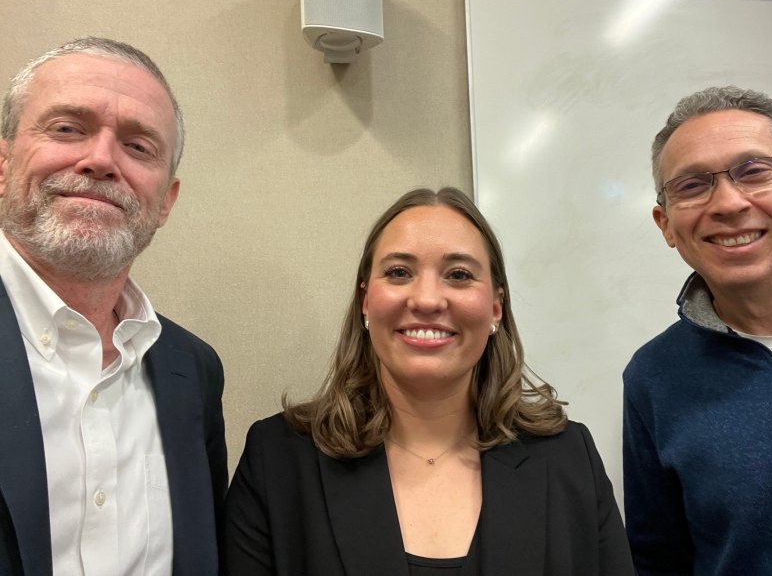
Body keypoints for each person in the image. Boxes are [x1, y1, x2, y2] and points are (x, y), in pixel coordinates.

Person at [223, 187, 633, 576]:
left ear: (495, 307)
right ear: (365, 301)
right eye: (399, 272)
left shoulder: (568, 459)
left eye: (459, 275)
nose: (427, 300)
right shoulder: (278, 460)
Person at [0, 37, 227, 576]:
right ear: (3, 164)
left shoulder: (193, 371)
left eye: (139, 146)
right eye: (67, 128)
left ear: (166, 200)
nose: (101, 160)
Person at [623, 86, 772, 575]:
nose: (729, 203)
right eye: (692, 185)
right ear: (665, 225)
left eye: (753, 171)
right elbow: (658, 559)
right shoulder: (653, 377)